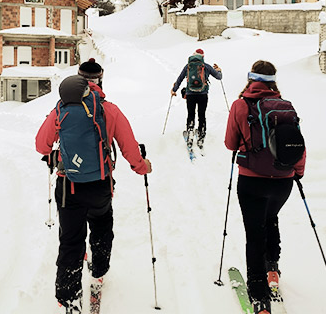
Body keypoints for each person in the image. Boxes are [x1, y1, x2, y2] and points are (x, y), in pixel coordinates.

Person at [36, 73, 152, 314]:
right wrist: (142, 166)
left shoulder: (60, 110)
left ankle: (69, 298)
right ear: (94, 89)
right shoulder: (109, 110)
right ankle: (98, 273)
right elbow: (129, 146)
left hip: (68, 187)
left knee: (70, 240)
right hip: (100, 185)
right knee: (101, 226)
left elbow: (41, 145)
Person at [224, 60, 306, 314]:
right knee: (271, 218)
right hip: (283, 182)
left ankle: (259, 293)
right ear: (273, 81)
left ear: (251, 79)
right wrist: (297, 174)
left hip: (252, 181)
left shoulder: (240, 105)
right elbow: (298, 146)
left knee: (254, 231)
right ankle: (273, 269)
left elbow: (229, 143)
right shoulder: (286, 108)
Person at [170, 48, 222, 147]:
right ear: (202, 57)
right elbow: (219, 77)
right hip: (203, 95)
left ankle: (190, 132)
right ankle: (201, 135)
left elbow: (180, 79)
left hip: (190, 95)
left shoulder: (188, 66)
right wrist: (219, 70)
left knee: (191, 114)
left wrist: (174, 90)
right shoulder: (206, 66)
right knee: (201, 114)